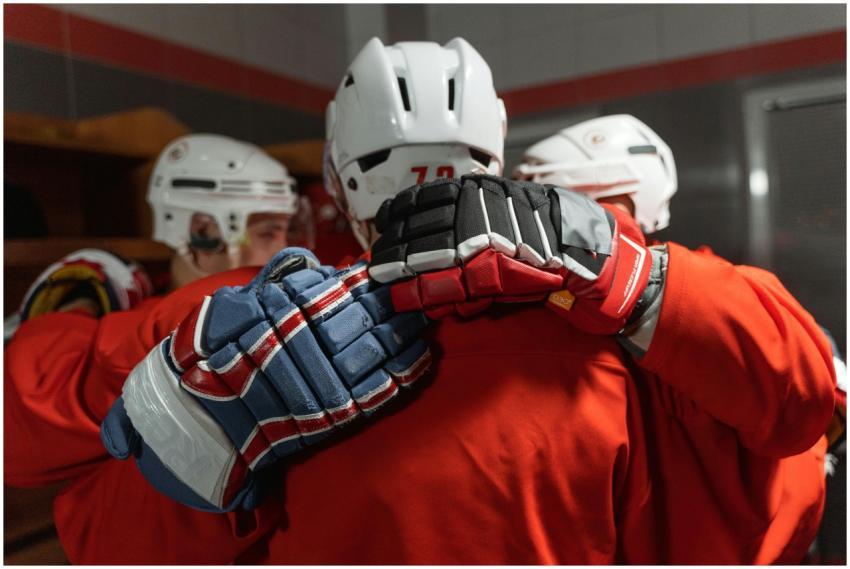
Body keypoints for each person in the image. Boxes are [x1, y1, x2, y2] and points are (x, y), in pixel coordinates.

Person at [23, 38, 664, 565]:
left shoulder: (245, 324)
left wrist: (185, 438)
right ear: (496, 163)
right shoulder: (602, 335)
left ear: (339, 177)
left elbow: (98, 533)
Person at [367, 114, 839, 562]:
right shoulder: (541, 315)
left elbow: (809, 402)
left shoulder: (714, 291)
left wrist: (628, 274)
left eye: (563, 209)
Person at [5, 134, 306, 486]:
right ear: (204, 233)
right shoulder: (173, 319)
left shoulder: (149, 321)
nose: (286, 248)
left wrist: (78, 303)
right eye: (270, 233)